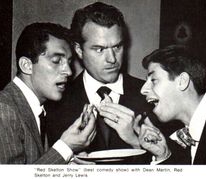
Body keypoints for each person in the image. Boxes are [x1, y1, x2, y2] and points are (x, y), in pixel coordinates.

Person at [46, 2, 152, 162]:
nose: (112, 59)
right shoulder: (56, 102)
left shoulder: (149, 96)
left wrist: (139, 144)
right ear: (79, 50)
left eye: (117, 47)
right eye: (99, 49)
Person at [0, 22, 96, 164]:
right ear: (26, 65)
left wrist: (65, 166)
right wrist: (65, 148)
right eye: (57, 61)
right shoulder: (1, 109)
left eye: (69, 62)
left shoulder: (36, 109)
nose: (69, 71)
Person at [137, 45, 206, 164]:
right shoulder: (182, 138)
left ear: (183, 81)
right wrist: (163, 156)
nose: (143, 90)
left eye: (153, 80)